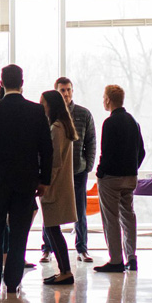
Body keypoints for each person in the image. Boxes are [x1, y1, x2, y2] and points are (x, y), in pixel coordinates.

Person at [0, 64, 53, 294]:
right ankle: (13, 280)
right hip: (26, 181)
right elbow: (46, 149)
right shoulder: (36, 111)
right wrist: (44, 180)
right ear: (22, 82)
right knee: (19, 231)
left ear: (1, 83)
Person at [94, 84, 146, 273]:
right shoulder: (133, 122)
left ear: (108, 100)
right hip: (130, 177)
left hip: (111, 178)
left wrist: (100, 173)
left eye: (103, 97)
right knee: (128, 216)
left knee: (111, 218)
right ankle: (131, 258)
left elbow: (106, 152)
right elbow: (142, 151)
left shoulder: (109, 123)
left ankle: (116, 259)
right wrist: (133, 168)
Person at [39, 89, 78, 285]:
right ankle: (64, 270)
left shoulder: (56, 128)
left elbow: (54, 162)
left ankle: (65, 271)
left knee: (53, 229)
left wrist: (44, 184)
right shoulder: (64, 126)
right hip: (62, 185)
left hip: (55, 186)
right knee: (53, 229)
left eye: (43, 103)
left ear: (51, 105)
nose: (41, 107)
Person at [56, 77, 97, 263]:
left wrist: (87, 166)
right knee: (52, 211)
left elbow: (91, 142)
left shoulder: (84, 114)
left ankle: (82, 248)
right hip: (56, 172)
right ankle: (47, 248)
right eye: (62, 90)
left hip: (78, 171)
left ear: (72, 91)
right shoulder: (50, 113)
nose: (66, 93)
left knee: (80, 211)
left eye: (68, 90)